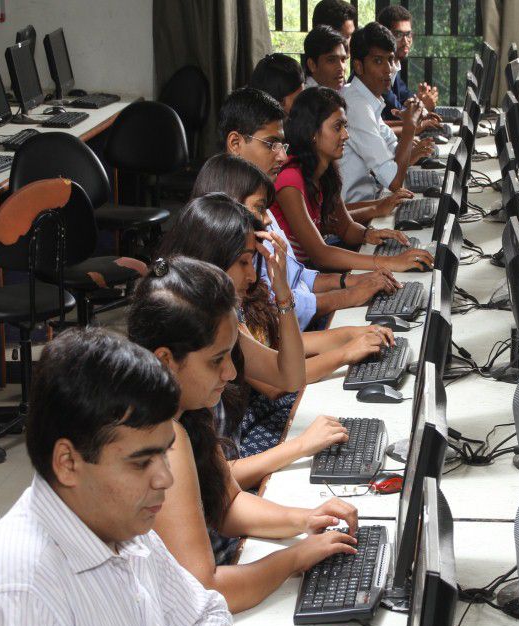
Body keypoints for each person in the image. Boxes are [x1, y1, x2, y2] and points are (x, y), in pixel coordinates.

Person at [0, 327, 270, 626]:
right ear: (68, 462)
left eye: (164, 453)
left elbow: (202, 616)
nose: (165, 478)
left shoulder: (120, 527)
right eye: (141, 462)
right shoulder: (23, 597)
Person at [128, 256, 360, 614]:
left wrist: (305, 518)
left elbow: (228, 502)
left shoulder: (186, 407)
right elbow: (205, 590)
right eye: (216, 360)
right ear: (166, 360)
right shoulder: (160, 439)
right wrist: (295, 557)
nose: (231, 372)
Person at [159, 192, 373, 478]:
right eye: (243, 263)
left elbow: (290, 376)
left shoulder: (225, 316)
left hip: (232, 458)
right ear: (213, 258)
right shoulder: (188, 332)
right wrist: (301, 446)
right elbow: (218, 480)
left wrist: (283, 293)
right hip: (231, 466)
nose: (251, 276)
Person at [193, 153, 399, 329]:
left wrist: (348, 281)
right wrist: (350, 296)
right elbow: (277, 334)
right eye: (270, 144)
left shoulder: (260, 221)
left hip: (304, 324)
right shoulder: (236, 275)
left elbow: (298, 276)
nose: (281, 155)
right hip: (301, 326)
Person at [275, 86, 434, 272]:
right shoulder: (290, 181)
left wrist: (369, 234)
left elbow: (346, 229)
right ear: (312, 133)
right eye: (337, 127)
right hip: (295, 277)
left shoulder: (327, 171)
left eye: (345, 126)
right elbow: (321, 255)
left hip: (309, 272)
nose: (346, 135)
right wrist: (390, 262)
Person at [337, 22, 435, 202]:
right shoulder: (356, 105)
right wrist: (409, 127)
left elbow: (393, 154)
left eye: (390, 60)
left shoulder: (367, 98)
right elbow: (394, 182)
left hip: (371, 200)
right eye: (378, 61)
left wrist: (413, 149)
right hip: (355, 211)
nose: (388, 69)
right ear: (358, 66)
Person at [376, 4, 438, 116]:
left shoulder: (395, 66)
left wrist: (420, 100)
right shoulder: (377, 69)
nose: (405, 41)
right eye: (398, 34)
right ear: (384, 35)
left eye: (408, 34)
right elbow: (396, 114)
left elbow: (406, 99)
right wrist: (423, 107)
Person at [304, 24, 348, 91]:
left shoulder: (342, 92)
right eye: (331, 60)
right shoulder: (306, 96)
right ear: (312, 65)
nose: (341, 67)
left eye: (343, 59)